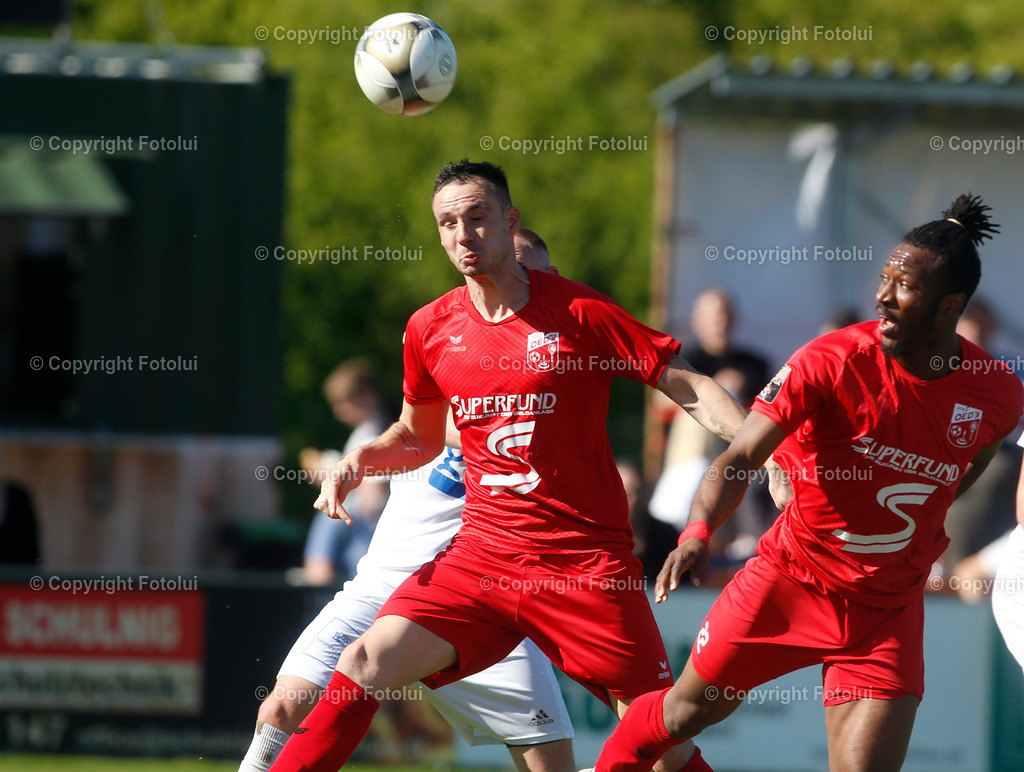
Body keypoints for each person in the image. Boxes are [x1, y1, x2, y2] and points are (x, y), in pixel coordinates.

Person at [268, 160, 784, 772]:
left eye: (478, 217)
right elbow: (417, 436)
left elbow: (688, 386)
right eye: (449, 223)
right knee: (363, 663)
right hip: (482, 558)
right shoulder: (430, 328)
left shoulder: (579, 312)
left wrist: (761, 448)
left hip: (582, 563)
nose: (464, 234)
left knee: (659, 740)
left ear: (509, 221)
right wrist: (361, 459)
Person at [591, 194, 1024, 772]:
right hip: (792, 579)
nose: (883, 296)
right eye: (884, 278)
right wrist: (698, 530)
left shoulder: (996, 392)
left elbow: (974, 463)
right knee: (683, 716)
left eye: (904, 286)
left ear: (950, 306)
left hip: (887, 610)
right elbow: (740, 455)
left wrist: (917, 523)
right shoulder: (833, 360)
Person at [240, 229, 578, 772]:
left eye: (527, 274)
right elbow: (418, 428)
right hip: (383, 585)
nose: (509, 284)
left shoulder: (565, 374)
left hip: (477, 604)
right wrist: (357, 461)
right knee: (280, 709)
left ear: (551, 282)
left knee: (550, 767)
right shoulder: (452, 343)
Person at [301, 359, 390, 586]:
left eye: (345, 402)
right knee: (332, 504)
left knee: (332, 507)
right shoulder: (365, 432)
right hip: (362, 537)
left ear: (367, 395)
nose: (339, 411)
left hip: (369, 534)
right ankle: (317, 569)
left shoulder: (377, 434)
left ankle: (317, 569)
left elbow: (372, 500)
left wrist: (330, 481)